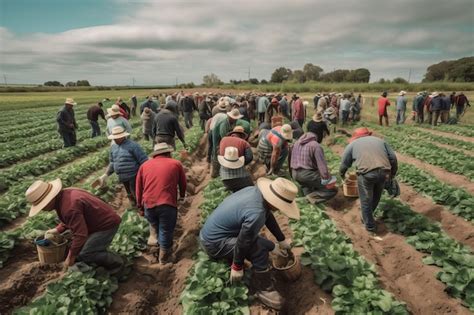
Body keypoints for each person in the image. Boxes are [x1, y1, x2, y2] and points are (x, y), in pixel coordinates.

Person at [199, 177, 300, 310]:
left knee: (260, 242)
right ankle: (264, 289)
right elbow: (244, 241)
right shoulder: (256, 213)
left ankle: (247, 263)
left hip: (213, 234)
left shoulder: (255, 193)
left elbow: (267, 216)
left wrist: (280, 239)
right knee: (259, 248)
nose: (280, 209)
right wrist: (237, 266)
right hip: (214, 244)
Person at [26, 178, 123, 272]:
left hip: (106, 225)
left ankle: (117, 264)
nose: (42, 209)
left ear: (50, 200)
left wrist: (70, 258)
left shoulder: (69, 207)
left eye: (42, 206)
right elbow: (73, 219)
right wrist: (57, 229)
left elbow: (80, 235)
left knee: (87, 253)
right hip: (96, 221)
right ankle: (96, 252)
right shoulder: (65, 194)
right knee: (76, 244)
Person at [339, 127, 398, 234]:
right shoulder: (381, 141)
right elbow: (393, 158)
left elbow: (344, 163)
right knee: (376, 195)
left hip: (367, 174)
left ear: (356, 137)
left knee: (366, 199)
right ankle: (367, 218)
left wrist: (342, 174)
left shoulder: (353, 144)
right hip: (384, 173)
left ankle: (370, 226)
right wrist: (392, 173)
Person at [135, 143, 186, 264]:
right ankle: (163, 258)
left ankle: (154, 245)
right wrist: (182, 196)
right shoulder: (175, 163)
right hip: (167, 203)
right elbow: (182, 183)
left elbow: (138, 188)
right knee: (165, 230)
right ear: (168, 153)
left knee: (154, 225)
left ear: (155, 155)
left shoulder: (144, 165)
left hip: (149, 204)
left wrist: (140, 207)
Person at [97, 126, 148, 206]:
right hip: (122, 176)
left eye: (117, 138)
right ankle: (134, 205)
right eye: (114, 138)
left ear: (123, 136)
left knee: (136, 192)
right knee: (129, 192)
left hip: (134, 175)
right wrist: (106, 174)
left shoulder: (133, 146)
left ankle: (142, 208)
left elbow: (144, 160)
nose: (115, 140)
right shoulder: (113, 147)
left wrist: (145, 175)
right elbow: (112, 162)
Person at [289, 131, 337, 203]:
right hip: (307, 174)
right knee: (331, 190)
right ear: (314, 138)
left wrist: (292, 175)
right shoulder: (315, 145)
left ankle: (309, 203)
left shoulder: (296, 144)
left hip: (294, 173)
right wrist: (327, 179)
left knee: (306, 186)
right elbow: (322, 165)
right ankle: (308, 200)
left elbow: (290, 159)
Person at [218, 127, 253, 192]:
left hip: (224, 176)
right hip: (240, 176)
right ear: (242, 135)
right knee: (251, 188)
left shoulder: (223, 139)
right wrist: (241, 163)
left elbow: (220, 152)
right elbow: (250, 157)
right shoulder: (244, 143)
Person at [211, 109, 244, 178]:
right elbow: (224, 139)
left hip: (224, 136)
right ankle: (215, 173)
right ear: (230, 117)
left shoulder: (232, 122)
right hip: (217, 136)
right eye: (235, 119)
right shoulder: (223, 124)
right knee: (216, 152)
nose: (236, 120)